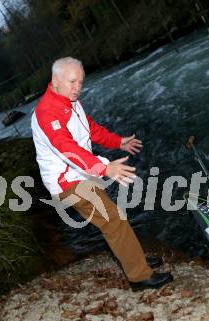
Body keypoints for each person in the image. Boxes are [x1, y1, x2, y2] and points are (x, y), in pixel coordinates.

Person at [31, 57, 173, 291]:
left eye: (81, 82)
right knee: (112, 220)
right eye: (73, 81)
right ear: (55, 81)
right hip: (66, 182)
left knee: (113, 216)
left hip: (82, 174)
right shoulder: (48, 112)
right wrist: (106, 168)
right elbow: (68, 149)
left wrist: (119, 142)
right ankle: (139, 276)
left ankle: (134, 257)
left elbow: (90, 128)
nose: (78, 87)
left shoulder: (70, 100)